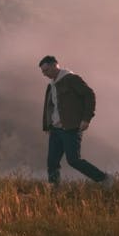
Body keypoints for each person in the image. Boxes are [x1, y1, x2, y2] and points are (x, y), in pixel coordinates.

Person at [39, 55, 113, 187]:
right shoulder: (52, 85)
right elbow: (50, 107)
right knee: (52, 162)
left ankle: (104, 179)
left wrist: (86, 119)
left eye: (46, 70)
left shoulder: (71, 79)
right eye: (43, 72)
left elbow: (89, 95)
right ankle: (54, 188)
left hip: (71, 128)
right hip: (56, 129)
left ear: (55, 65)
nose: (44, 74)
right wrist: (48, 126)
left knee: (73, 160)